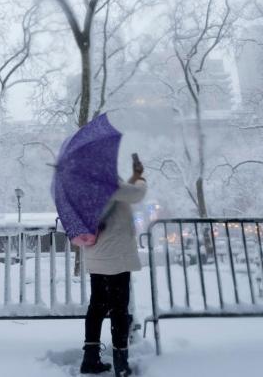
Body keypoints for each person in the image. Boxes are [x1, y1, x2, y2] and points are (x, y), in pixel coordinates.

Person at [79, 154, 146, 376]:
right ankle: (121, 363)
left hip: (98, 257)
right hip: (115, 257)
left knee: (97, 307)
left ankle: (90, 359)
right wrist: (141, 179)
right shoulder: (105, 181)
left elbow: (120, 195)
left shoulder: (87, 185)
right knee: (119, 309)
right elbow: (135, 194)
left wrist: (133, 176)